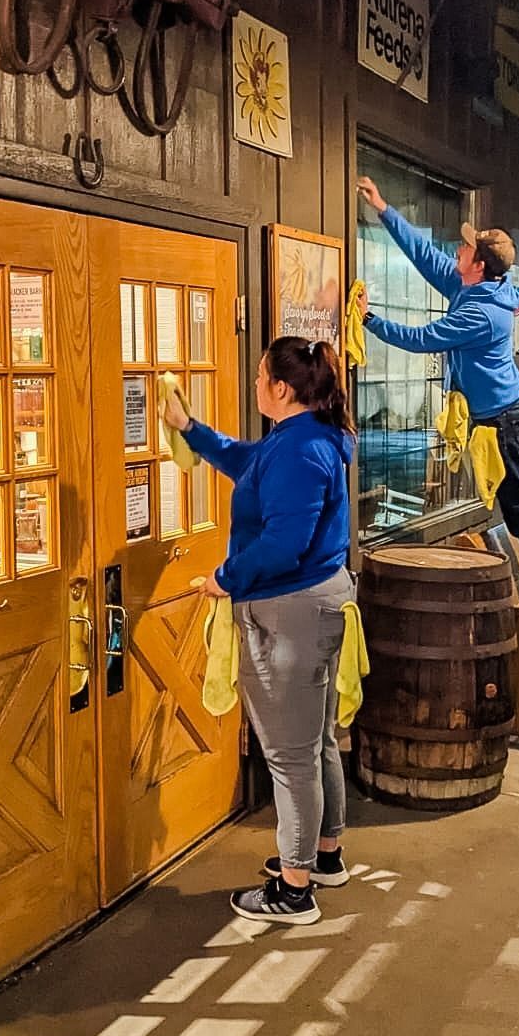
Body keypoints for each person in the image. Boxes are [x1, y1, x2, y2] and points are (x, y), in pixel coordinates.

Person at [161, 337, 355, 927]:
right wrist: (190, 428)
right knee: (316, 741)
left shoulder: (299, 451)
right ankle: (324, 856)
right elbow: (246, 463)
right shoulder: (302, 437)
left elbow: (283, 543)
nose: (254, 385)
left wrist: (225, 577)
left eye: (260, 376)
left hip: (289, 613)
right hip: (317, 602)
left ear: (282, 389)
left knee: (290, 756)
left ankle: (295, 891)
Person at [356, 174, 519, 606]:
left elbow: (423, 338)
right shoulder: (474, 287)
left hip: (505, 422)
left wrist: (369, 320)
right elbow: (426, 256)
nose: (459, 247)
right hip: (499, 416)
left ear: (479, 265)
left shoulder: (483, 313)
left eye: (468, 247)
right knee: (516, 508)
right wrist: (383, 208)